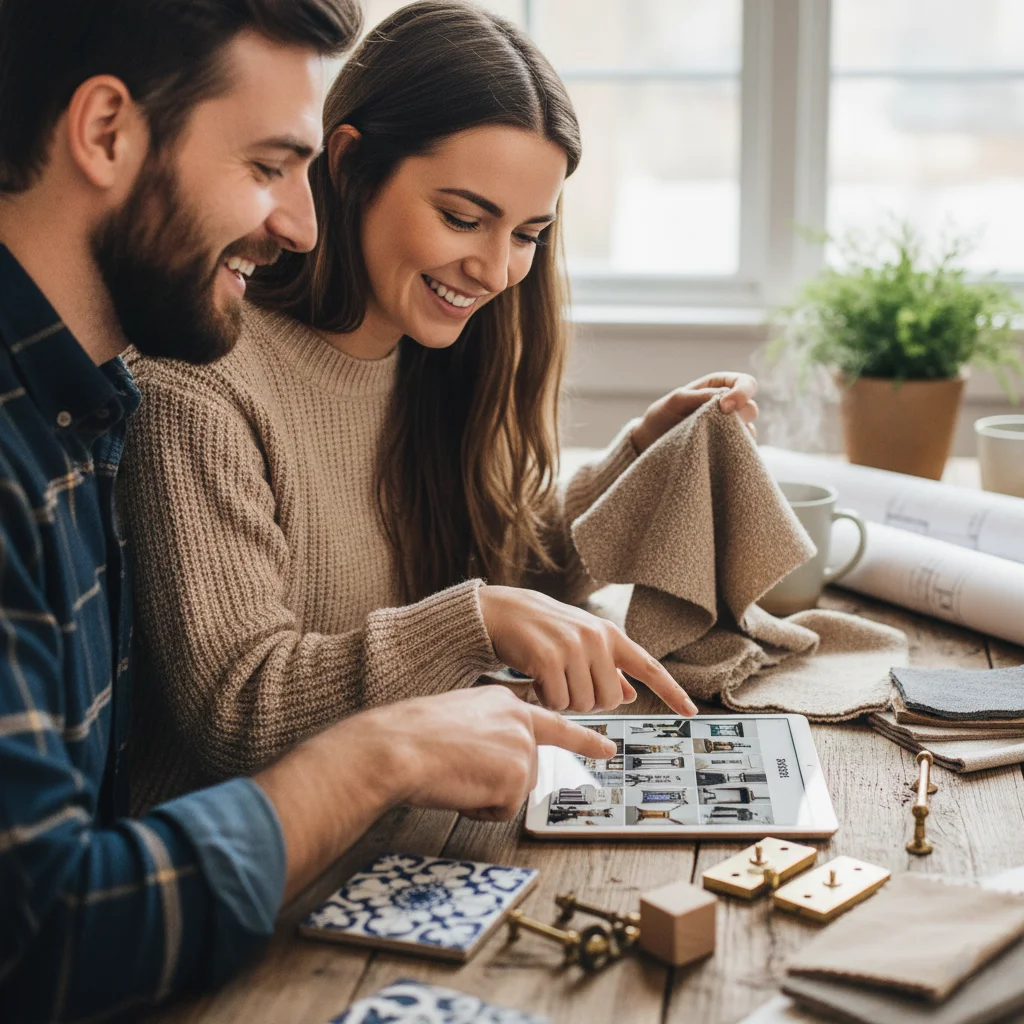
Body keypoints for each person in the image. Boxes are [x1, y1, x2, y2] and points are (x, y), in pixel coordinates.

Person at [0, 2, 616, 1020]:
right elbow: (51, 934)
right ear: (105, 132)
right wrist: (380, 751)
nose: (297, 220)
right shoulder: (146, 404)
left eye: (527, 234)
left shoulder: (82, 412)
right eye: (265, 168)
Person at [122, 0, 758, 812]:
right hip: (252, 899)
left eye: (528, 233)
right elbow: (241, 712)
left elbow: (505, 566)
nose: (494, 271)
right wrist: (476, 620)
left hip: (411, 838)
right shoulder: (199, 389)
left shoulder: (425, 361)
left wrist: (641, 460)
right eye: (463, 218)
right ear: (348, 166)